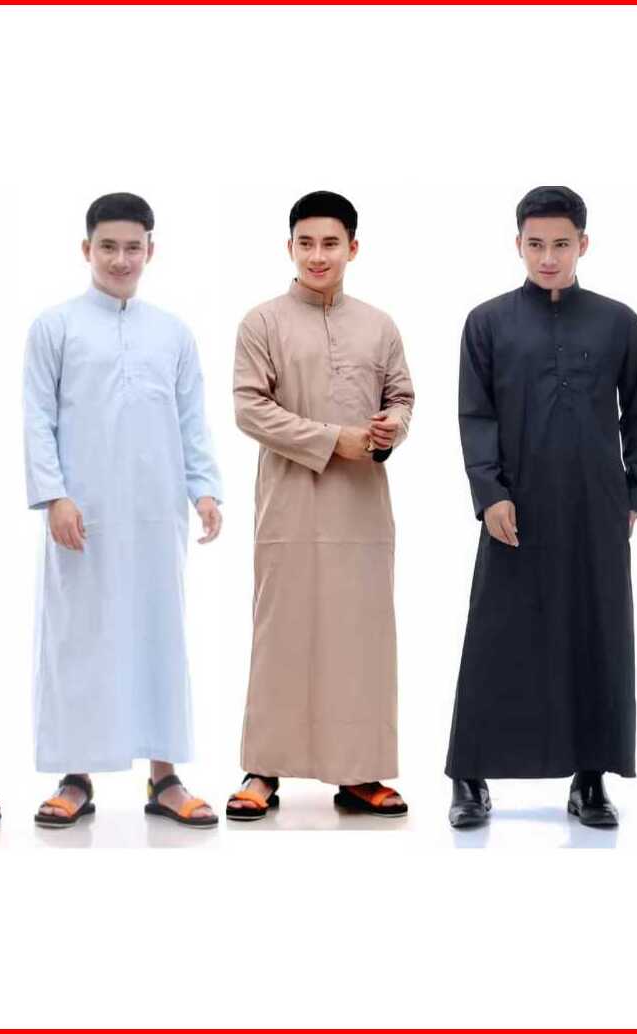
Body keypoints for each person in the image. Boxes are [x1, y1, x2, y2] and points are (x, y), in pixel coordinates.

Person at [446, 186, 637, 829]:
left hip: (596, 505)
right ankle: (469, 777)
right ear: (517, 244)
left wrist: (634, 494)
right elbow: (476, 415)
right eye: (535, 244)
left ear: (582, 244)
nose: (547, 257)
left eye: (561, 244)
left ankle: (590, 778)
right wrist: (490, 494)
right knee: (496, 635)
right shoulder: (487, 322)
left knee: (597, 633)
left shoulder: (619, 322)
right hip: (516, 504)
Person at [23, 192, 223, 828]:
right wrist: (54, 495)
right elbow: (37, 418)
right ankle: (75, 776)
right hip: (82, 515)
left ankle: (165, 778)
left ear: (150, 251)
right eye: (107, 246)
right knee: (78, 638)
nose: (120, 259)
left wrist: (204, 489)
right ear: (86, 249)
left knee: (159, 633)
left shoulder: (172, 332)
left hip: (155, 510)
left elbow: (191, 418)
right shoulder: (54, 327)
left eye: (132, 247)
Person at [227, 191, 415, 821]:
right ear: (289, 247)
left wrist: (391, 428)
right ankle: (263, 768)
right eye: (305, 243)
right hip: (290, 508)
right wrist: (335, 440)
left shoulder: (379, 325)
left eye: (330, 243)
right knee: (282, 634)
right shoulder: (262, 323)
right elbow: (250, 409)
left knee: (361, 638)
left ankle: (359, 773)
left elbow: (402, 397)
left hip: (362, 510)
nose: (317, 255)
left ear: (352, 248)